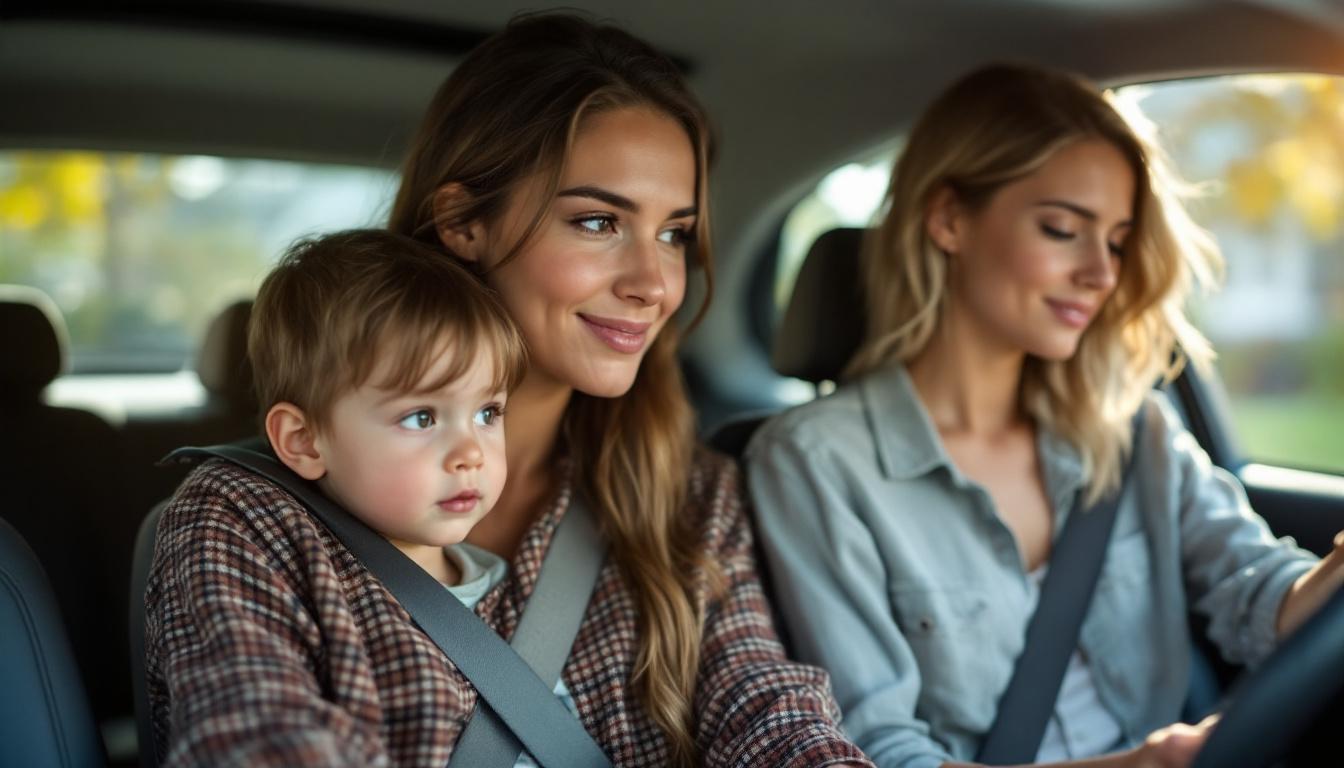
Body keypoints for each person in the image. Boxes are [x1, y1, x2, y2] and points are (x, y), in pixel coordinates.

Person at [149, 13, 870, 768]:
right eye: (599, 221)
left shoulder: (690, 495)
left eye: (674, 234)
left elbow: (766, 710)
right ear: (464, 222)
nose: (655, 284)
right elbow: (265, 741)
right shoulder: (252, 517)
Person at [745, 63, 1344, 768]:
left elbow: (1262, 599)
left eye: (1116, 241)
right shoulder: (815, 463)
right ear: (949, 219)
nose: (1102, 273)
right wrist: (1140, 766)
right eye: (1063, 229)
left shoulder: (1132, 428)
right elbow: (878, 750)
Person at [145, 228, 528, 762]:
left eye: (488, 412)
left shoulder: (518, 592)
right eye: (421, 417)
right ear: (304, 441)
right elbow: (256, 730)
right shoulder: (262, 543)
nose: (472, 453)